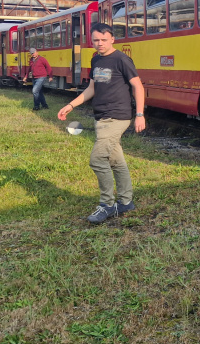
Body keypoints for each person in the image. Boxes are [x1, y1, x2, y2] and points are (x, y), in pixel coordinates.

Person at [57, 23, 146, 224]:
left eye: (104, 40)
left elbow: (138, 87)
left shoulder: (122, 59)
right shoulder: (95, 59)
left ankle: (106, 205)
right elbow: (92, 88)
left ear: (112, 39)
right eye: (96, 40)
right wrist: (71, 105)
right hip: (101, 117)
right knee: (116, 161)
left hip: (118, 116)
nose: (100, 44)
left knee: (97, 160)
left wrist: (140, 114)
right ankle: (125, 202)